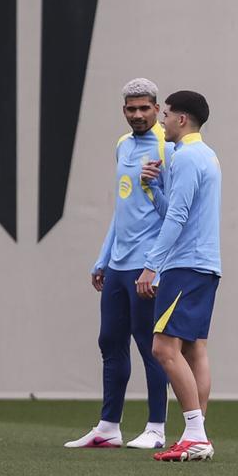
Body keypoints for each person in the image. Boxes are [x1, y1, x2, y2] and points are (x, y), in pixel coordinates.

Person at [66, 79, 172, 450]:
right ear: (124, 111)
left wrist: (155, 266)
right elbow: (122, 209)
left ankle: (157, 428)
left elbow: (172, 213)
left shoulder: (166, 146)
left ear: (158, 110)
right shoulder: (122, 145)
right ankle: (109, 426)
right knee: (110, 342)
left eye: (145, 108)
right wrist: (103, 257)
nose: (138, 115)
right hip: (118, 265)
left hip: (147, 265)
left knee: (151, 346)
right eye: (132, 109)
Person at [135, 90, 222, 462]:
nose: (161, 120)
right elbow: (179, 209)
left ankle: (196, 435)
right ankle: (196, 433)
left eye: (166, 114)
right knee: (193, 348)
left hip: (185, 265)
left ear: (181, 120)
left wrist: (152, 264)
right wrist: (153, 188)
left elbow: (177, 217)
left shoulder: (187, 158)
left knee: (162, 348)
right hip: (204, 264)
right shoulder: (207, 155)